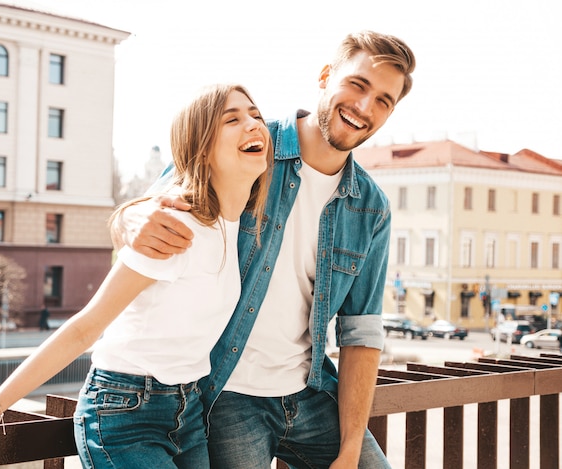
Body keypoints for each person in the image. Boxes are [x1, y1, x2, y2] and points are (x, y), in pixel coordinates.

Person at [115, 30, 416, 468]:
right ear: (326, 76)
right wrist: (128, 220)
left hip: (311, 394)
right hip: (228, 393)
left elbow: (361, 334)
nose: (365, 108)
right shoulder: (251, 141)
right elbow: (152, 209)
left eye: (384, 101)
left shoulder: (370, 208)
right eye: (358, 85)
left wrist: (351, 448)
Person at [0, 83, 272, 469]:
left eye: (256, 115)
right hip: (125, 411)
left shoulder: (237, 227)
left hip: (189, 413)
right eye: (233, 118)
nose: (253, 125)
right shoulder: (175, 227)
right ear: (202, 148)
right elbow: (86, 327)